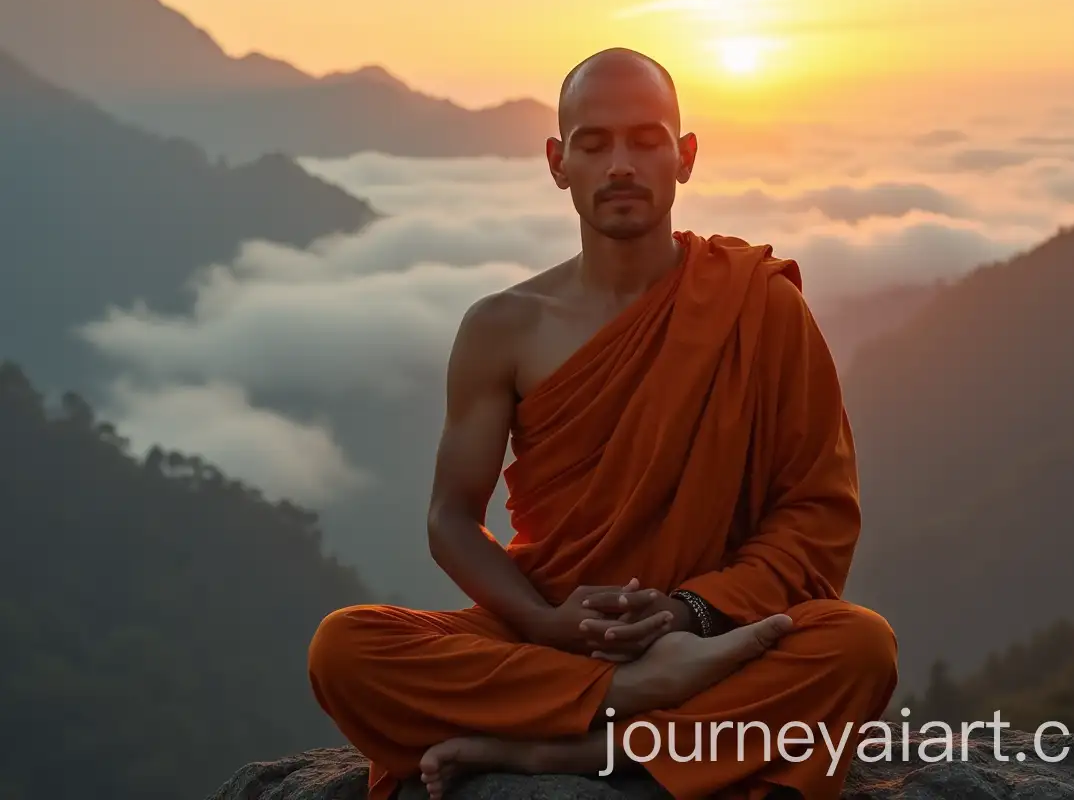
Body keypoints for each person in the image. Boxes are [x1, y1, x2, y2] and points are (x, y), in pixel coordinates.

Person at [307, 48, 898, 800]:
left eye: (645, 140)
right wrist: (552, 625)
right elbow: (452, 519)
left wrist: (689, 612)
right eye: (594, 143)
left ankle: (554, 751)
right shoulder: (504, 327)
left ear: (684, 158)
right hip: (552, 627)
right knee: (347, 649)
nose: (621, 163)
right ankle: (638, 711)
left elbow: (816, 515)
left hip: (707, 635)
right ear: (559, 162)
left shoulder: (762, 306)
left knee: (858, 646)